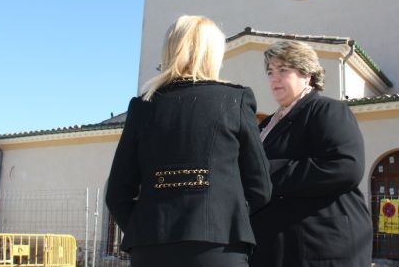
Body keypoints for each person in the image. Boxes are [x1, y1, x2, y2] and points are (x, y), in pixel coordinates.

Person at [106, 15, 272, 267]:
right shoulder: (234, 99)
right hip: (219, 245)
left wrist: (145, 226)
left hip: (150, 246)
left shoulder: (142, 106)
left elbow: (117, 192)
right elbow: (260, 187)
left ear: (170, 49)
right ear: (213, 54)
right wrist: (226, 216)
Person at [250, 40, 373, 267]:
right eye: (270, 72)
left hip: (320, 245)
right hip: (279, 247)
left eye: (283, 70)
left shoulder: (327, 110)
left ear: (307, 75)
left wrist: (264, 173)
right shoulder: (267, 124)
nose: (274, 78)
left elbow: (345, 167)